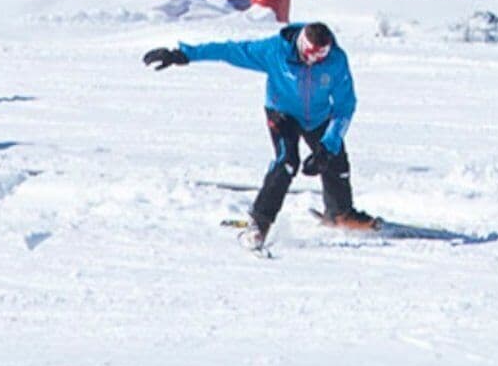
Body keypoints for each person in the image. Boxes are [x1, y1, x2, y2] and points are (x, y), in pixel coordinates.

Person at [145, 21, 376, 245]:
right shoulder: (275, 51)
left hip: (318, 116)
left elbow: (345, 105)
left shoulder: (336, 60)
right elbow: (231, 50)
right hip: (282, 114)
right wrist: (184, 54)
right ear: (301, 45)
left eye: (320, 57)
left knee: (334, 159)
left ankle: (340, 214)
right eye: (309, 55)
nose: (313, 62)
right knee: (287, 163)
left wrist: (327, 145)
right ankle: (259, 222)